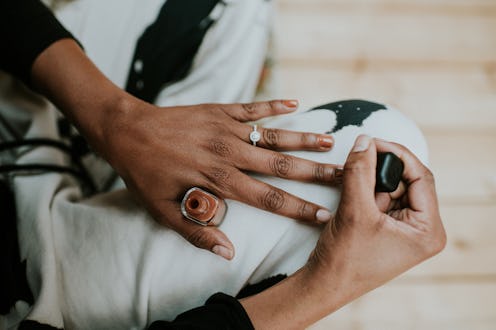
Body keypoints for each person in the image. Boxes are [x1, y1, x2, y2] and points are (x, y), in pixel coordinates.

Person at [0, 0, 446, 329]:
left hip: (22, 128)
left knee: (241, 8)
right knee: (383, 144)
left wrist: (117, 120)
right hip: (37, 286)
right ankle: (137, 188)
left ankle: (145, 167)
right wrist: (326, 284)